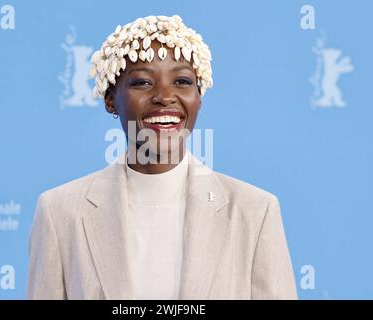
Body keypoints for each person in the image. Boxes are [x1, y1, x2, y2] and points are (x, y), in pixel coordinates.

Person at [27, 14, 297, 300]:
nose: (165, 96)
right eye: (143, 82)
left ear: (199, 97)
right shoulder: (59, 213)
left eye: (182, 81)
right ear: (110, 100)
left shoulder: (255, 211)